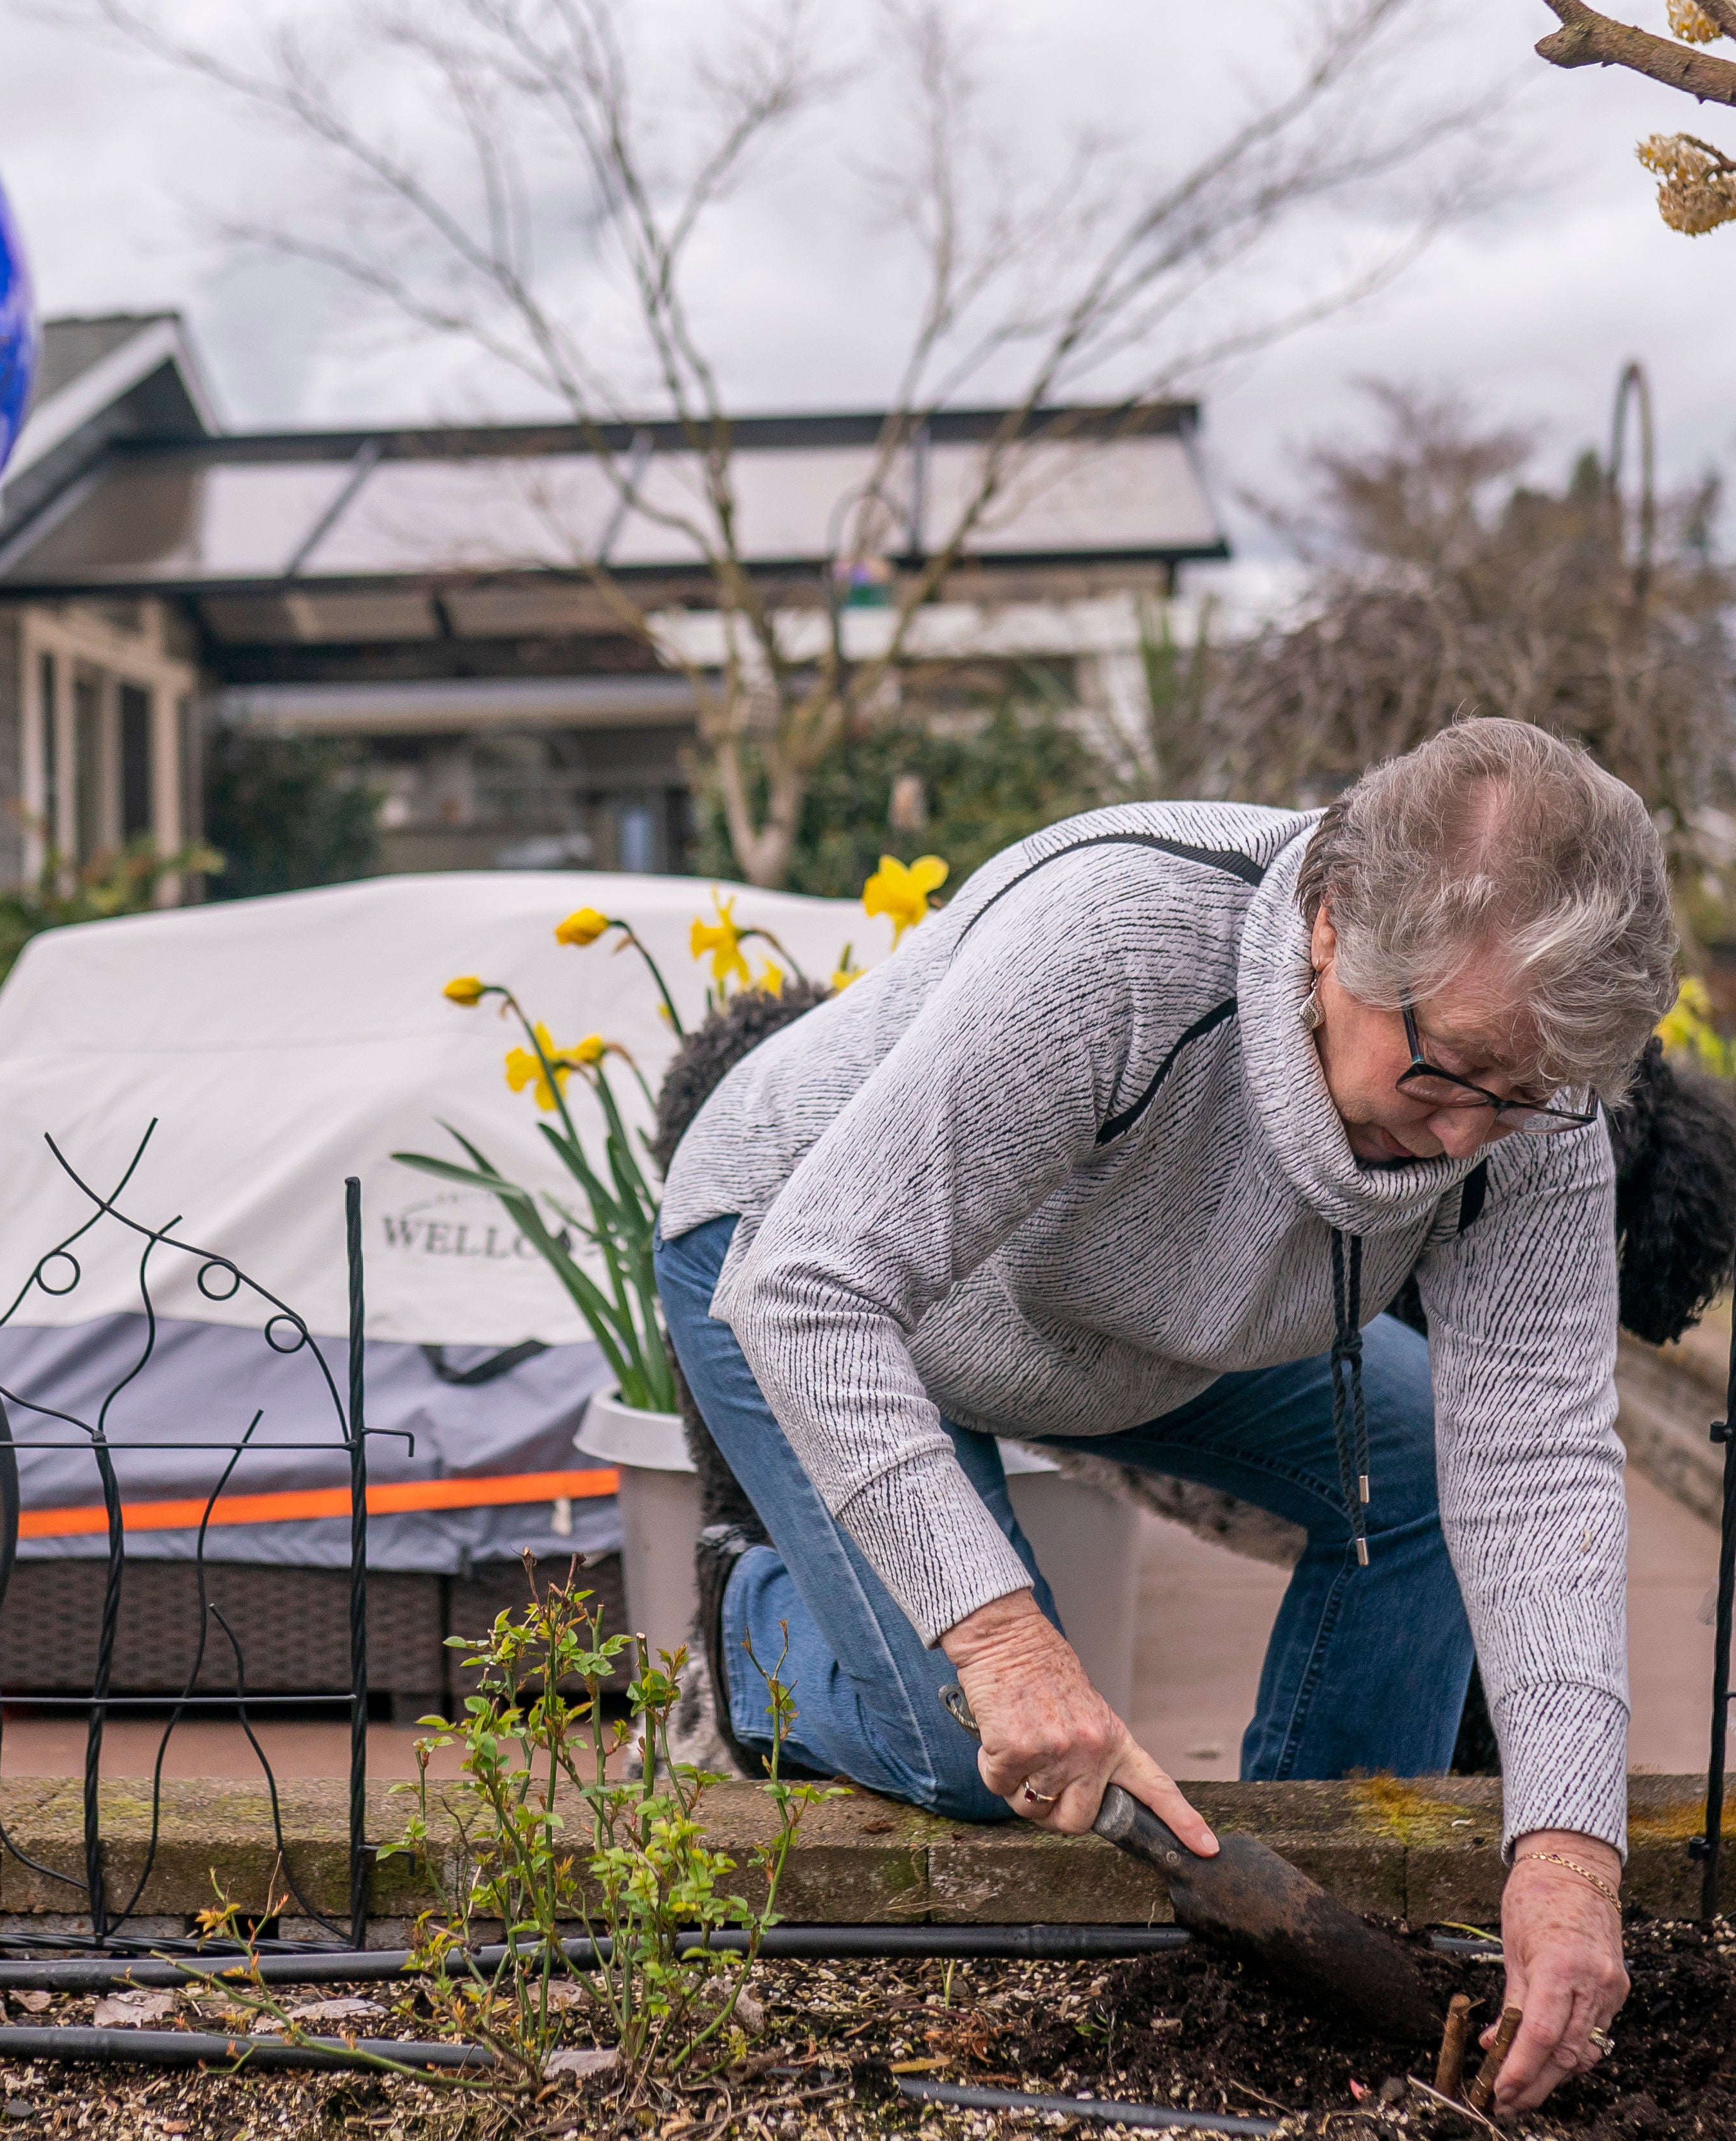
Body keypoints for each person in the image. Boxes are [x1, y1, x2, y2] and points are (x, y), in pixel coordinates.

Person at [654, 717, 1673, 2115]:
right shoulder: (1121, 945)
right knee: (968, 1748)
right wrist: (1004, 1642)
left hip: (1138, 1322)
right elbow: (818, 1286)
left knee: (1430, 1484)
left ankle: (1283, 1923)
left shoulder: (1520, 1107)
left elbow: (1539, 1465)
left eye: (1523, 1096)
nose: (1463, 1139)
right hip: (800, 1254)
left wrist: (1568, 1855)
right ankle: (746, 1637)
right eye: (1444, 1073)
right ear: (1330, 929)